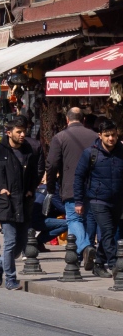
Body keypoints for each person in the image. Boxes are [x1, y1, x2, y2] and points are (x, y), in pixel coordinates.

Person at [0, 117, 41, 290]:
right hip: (6, 203)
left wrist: (31, 187)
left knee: (20, 245)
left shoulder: (29, 150)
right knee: (10, 242)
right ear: (9, 133)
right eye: (19, 132)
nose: (23, 135)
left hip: (23, 203)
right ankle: (11, 279)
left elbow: (36, 171)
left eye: (24, 131)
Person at [47, 107, 100, 270]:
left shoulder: (60, 137)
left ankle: (85, 247)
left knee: (74, 219)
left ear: (67, 120)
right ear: (83, 120)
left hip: (70, 187)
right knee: (85, 220)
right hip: (93, 186)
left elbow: (52, 165)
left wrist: (50, 187)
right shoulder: (95, 137)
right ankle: (76, 256)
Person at [73, 119, 123, 279]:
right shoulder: (91, 153)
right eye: (107, 135)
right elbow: (79, 177)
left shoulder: (122, 151)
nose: (111, 139)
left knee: (111, 231)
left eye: (113, 135)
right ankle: (116, 265)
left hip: (117, 200)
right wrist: (79, 201)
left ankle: (99, 264)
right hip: (97, 200)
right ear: (100, 135)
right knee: (107, 232)